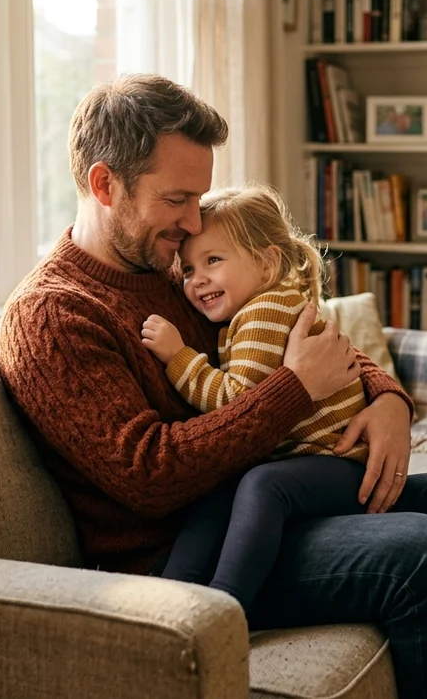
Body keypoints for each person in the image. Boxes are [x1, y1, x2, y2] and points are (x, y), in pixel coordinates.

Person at [0, 73, 427, 699]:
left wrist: (387, 395)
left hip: (271, 502)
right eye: (178, 199)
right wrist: (295, 389)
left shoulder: (170, 266)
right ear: (104, 184)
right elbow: (149, 475)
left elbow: (285, 330)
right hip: (189, 557)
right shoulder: (54, 315)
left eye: (199, 198)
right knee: (425, 552)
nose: (194, 220)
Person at [138, 184, 373, 613]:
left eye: (213, 260)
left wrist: (177, 356)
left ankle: (228, 607)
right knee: (217, 491)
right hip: (313, 463)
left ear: (267, 263)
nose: (197, 279)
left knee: (262, 487)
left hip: (336, 465)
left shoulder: (263, 312)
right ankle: (171, 602)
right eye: (188, 269)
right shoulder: (257, 305)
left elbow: (235, 402)